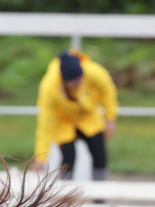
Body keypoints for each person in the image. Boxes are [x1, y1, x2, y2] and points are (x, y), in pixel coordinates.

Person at [32, 50, 118, 180]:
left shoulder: (93, 71)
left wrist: (110, 119)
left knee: (99, 153)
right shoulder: (49, 87)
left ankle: (100, 194)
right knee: (69, 158)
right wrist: (40, 157)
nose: (79, 83)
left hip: (88, 116)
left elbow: (108, 92)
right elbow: (45, 124)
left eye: (80, 79)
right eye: (74, 81)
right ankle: (66, 196)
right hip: (63, 121)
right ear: (64, 80)